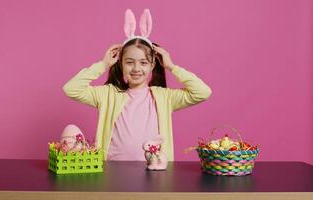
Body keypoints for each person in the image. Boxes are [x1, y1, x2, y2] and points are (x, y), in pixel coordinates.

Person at [62, 9, 212, 161]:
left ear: (153, 65)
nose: (136, 69)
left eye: (143, 63)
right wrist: (102, 65)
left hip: (153, 172)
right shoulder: (108, 94)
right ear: (120, 63)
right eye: (129, 62)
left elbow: (202, 92)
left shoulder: (164, 97)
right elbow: (71, 89)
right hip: (113, 173)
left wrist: (171, 66)